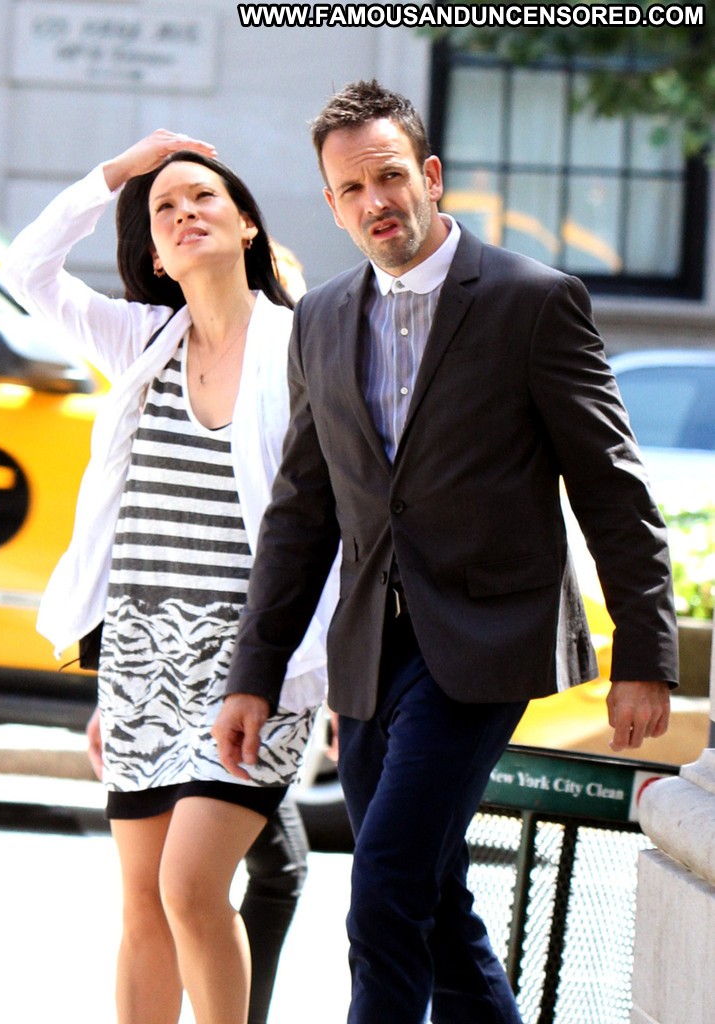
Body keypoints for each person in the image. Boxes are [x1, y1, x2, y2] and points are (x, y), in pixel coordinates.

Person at [213, 80, 679, 1024]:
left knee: (385, 883)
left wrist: (644, 651)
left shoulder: (531, 302)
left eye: (389, 177)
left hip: (484, 641)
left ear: (429, 176)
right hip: (367, 658)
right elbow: (302, 513)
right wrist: (252, 674)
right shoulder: (321, 319)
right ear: (333, 205)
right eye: (351, 189)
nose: (375, 202)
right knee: (434, 901)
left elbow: (610, 487)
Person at [1, 129, 334, 1024]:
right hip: (141, 657)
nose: (185, 212)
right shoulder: (142, 341)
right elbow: (29, 267)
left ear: (247, 225)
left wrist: (330, 667)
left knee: (191, 887)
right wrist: (118, 171)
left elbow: (336, 519)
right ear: (154, 253)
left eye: (204, 198)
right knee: (143, 904)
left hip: (252, 661)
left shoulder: (303, 345)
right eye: (164, 208)